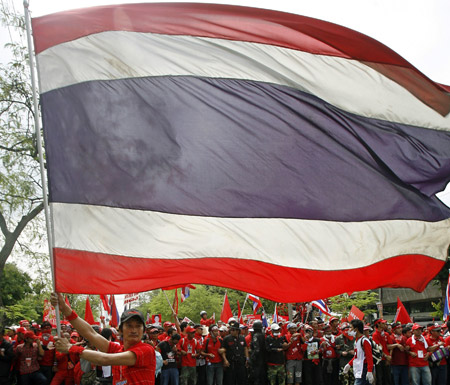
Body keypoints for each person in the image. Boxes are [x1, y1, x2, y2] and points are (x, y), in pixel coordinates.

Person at [51, 292, 156, 385]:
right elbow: (91, 333)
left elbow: (104, 359)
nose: (134, 330)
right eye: (129, 325)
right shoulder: (118, 350)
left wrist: (71, 348)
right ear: (120, 330)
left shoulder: (147, 350)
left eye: (138, 326)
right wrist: (65, 309)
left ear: (144, 330)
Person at [343, 319, 374, 385]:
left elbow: (369, 356)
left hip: (364, 368)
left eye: (351, 327)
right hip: (359, 368)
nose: (349, 330)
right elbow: (357, 356)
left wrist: (369, 370)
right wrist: (349, 364)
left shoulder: (364, 341)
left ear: (356, 329)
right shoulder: (356, 341)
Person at [219, 321, 248, 385]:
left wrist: (247, 358)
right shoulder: (227, 338)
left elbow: (245, 348)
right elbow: (223, 350)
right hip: (231, 363)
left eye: (233, 330)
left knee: (241, 380)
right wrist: (225, 360)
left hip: (240, 363)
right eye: (231, 329)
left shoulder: (242, 338)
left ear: (237, 331)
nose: (231, 331)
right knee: (230, 381)